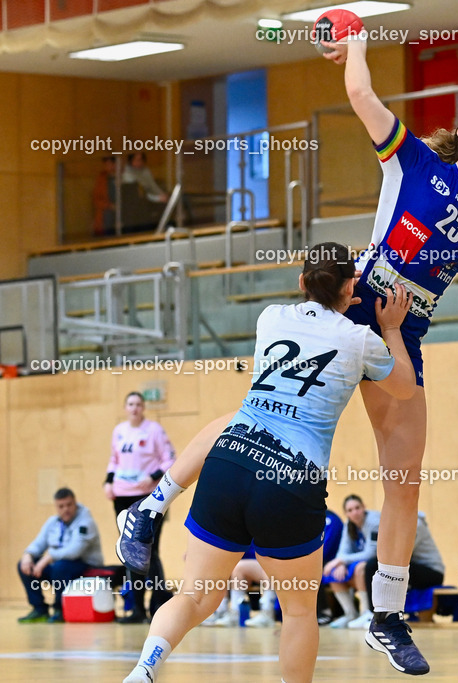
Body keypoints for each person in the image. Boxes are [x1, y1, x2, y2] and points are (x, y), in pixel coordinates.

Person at [116, 32, 458, 677]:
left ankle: (386, 615)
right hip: (353, 307)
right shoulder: (413, 165)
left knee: (405, 478)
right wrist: (359, 43)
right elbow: (359, 93)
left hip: (404, 330)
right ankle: (152, 509)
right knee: (251, 423)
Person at [120, 242, 418, 683]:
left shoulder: (270, 318)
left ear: (301, 283)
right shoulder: (361, 340)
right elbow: (405, 387)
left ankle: (144, 670)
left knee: (196, 597)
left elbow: (312, 322)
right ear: (351, 286)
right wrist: (391, 328)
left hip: (230, 463)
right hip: (290, 481)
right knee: (298, 611)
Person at [107, 391, 176, 624]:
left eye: (138, 404)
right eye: (130, 404)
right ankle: (136, 608)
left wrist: (152, 476)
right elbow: (114, 461)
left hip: (148, 497)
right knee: (130, 551)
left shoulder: (154, 430)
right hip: (122, 496)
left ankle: (157, 605)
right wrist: (108, 482)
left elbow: (170, 459)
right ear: (125, 407)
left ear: (143, 407)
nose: (134, 408)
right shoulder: (118, 431)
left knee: (149, 550)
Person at [17, 488, 104, 623]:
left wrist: (47, 558)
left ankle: (60, 609)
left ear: (75, 503)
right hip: (60, 566)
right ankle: (39, 610)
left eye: (69, 505)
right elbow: (38, 543)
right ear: (56, 507)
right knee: (25, 564)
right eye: (61, 506)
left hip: (85, 565)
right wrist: (27, 555)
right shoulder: (52, 522)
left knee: (60, 567)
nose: (66, 509)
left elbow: (74, 551)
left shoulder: (86, 522)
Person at [356, 510, 445, 626]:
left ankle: (379, 615)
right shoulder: (403, 523)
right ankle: (372, 613)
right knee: (373, 565)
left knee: (375, 565)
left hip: (433, 573)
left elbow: (403, 552)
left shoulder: (416, 524)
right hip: (417, 568)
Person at [322, 493, 379, 629]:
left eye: (357, 508)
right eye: (350, 510)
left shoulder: (374, 522)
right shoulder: (349, 524)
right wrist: (340, 562)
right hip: (360, 561)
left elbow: (371, 553)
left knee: (361, 568)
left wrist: (341, 560)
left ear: (364, 507)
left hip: (377, 564)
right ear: (346, 513)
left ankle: (366, 612)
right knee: (332, 571)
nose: (355, 512)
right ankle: (350, 613)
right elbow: (343, 550)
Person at [93, 155, 117, 236]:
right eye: (106, 164)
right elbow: (96, 200)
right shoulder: (102, 179)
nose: (108, 167)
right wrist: (109, 205)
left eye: (110, 164)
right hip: (106, 218)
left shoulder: (121, 176)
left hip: (120, 217)